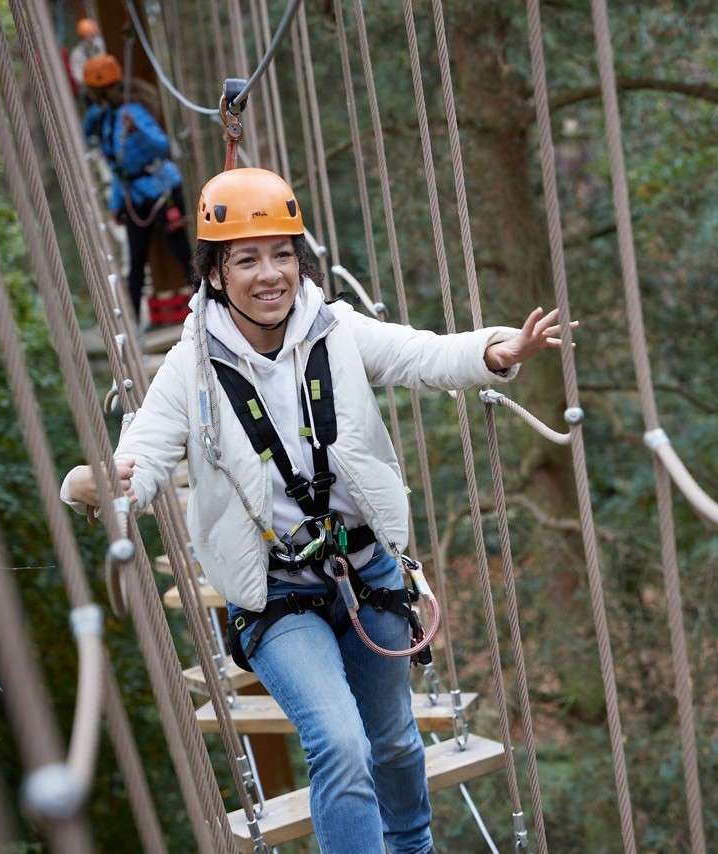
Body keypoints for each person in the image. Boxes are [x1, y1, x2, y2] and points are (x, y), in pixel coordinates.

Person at [61, 168, 577, 853]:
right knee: (341, 742)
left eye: (282, 255)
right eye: (247, 259)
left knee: (392, 742)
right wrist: (96, 484)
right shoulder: (189, 374)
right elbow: (142, 461)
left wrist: (494, 350)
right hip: (276, 593)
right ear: (215, 275)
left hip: (368, 574)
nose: (270, 274)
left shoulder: (337, 332)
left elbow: (422, 353)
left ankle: (412, 847)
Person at [81, 53, 191, 325]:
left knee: (183, 253)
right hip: (135, 195)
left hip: (162, 190)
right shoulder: (106, 120)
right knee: (136, 259)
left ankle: (209, 303)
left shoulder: (133, 113)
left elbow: (161, 146)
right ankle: (129, 324)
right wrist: (117, 205)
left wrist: (137, 130)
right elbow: (119, 170)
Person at [67, 17, 106, 94]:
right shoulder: (76, 54)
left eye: (93, 35)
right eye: (87, 36)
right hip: (91, 90)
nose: (90, 38)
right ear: (82, 38)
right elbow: (77, 76)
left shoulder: (101, 43)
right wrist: (90, 81)